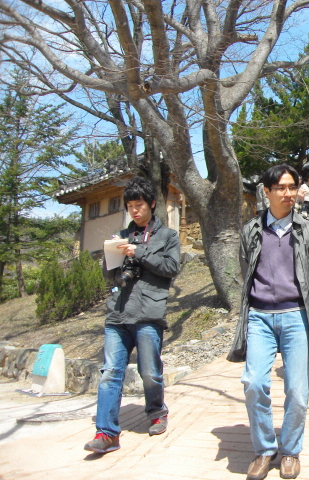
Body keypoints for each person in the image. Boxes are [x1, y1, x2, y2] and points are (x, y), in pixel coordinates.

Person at [227, 164, 309, 480]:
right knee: (254, 382)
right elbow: (247, 269)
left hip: (296, 314)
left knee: (297, 390)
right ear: (266, 191)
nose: (287, 193)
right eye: (280, 188)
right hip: (259, 317)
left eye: (292, 187)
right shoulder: (251, 230)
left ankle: (290, 451)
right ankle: (265, 449)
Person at [84, 176, 180, 454]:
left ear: (152, 204)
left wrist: (139, 252)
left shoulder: (168, 236)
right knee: (110, 373)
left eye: (139, 205)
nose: (134, 211)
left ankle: (156, 411)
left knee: (149, 372)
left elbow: (171, 267)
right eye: (130, 206)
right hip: (118, 313)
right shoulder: (122, 235)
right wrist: (111, 254)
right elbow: (110, 276)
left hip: (148, 313)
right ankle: (106, 433)